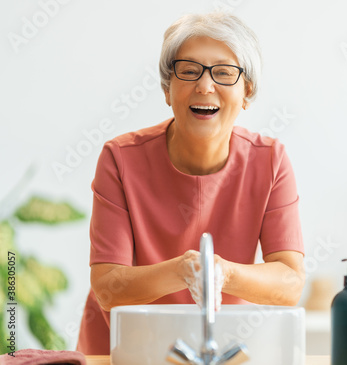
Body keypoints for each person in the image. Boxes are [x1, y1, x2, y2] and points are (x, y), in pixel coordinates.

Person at [76, 11, 305, 355]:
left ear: (247, 92)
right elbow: (108, 288)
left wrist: (222, 273)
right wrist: (186, 270)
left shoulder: (270, 160)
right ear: (167, 89)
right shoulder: (120, 159)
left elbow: (290, 283)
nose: (205, 85)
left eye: (224, 72)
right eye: (188, 70)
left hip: (219, 348)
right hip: (122, 351)